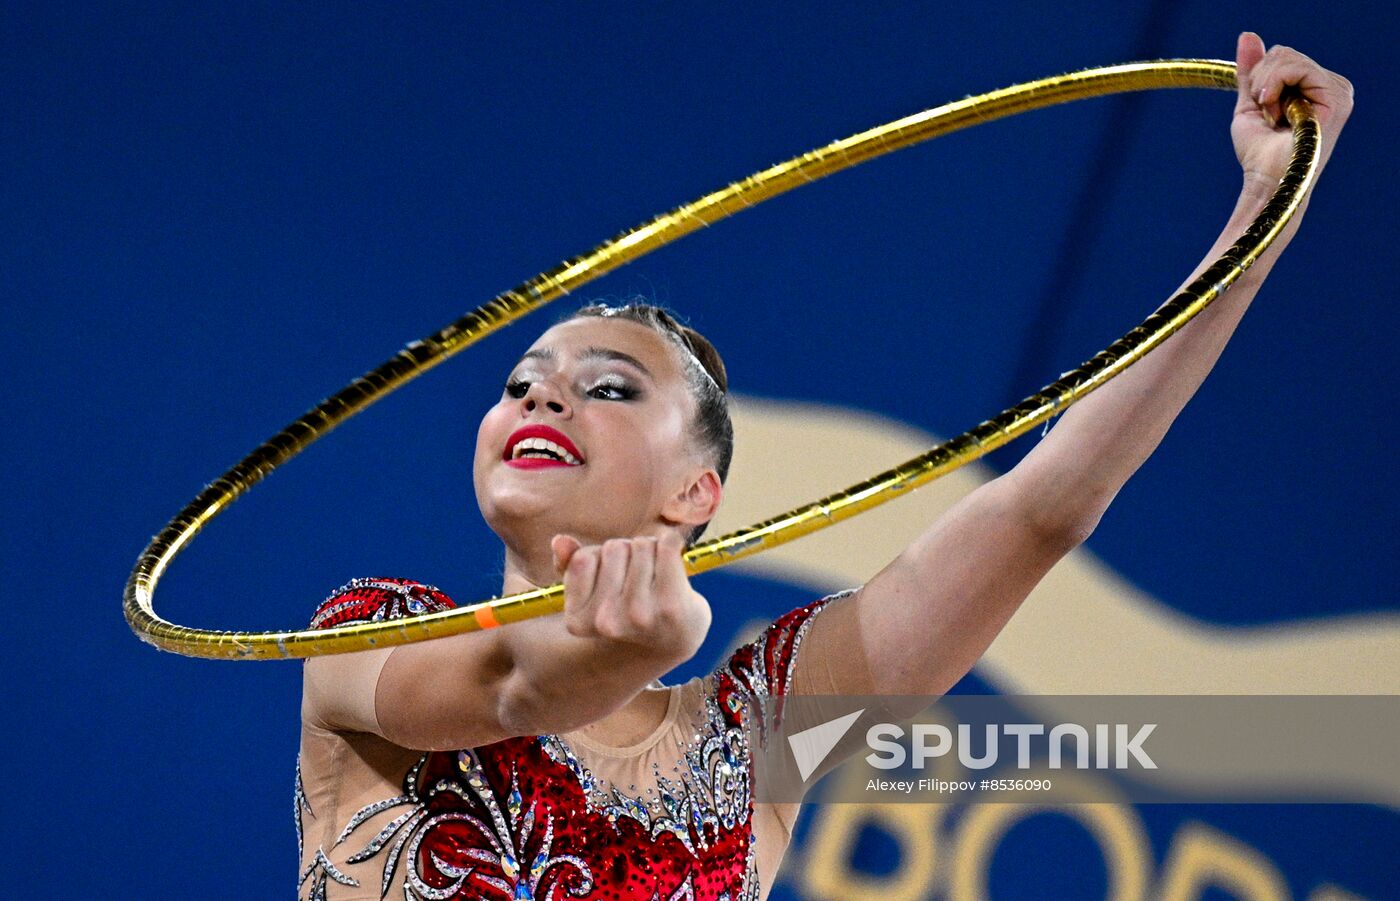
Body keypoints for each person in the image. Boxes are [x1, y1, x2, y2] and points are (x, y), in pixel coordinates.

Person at [294, 34, 1351, 900]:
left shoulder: (764, 737)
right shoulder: (365, 637)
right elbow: (514, 684)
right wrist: (621, 649)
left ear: (693, 495)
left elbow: (1045, 508)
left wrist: (1267, 205)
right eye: (523, 380)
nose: (540, 396)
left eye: (609, 384)